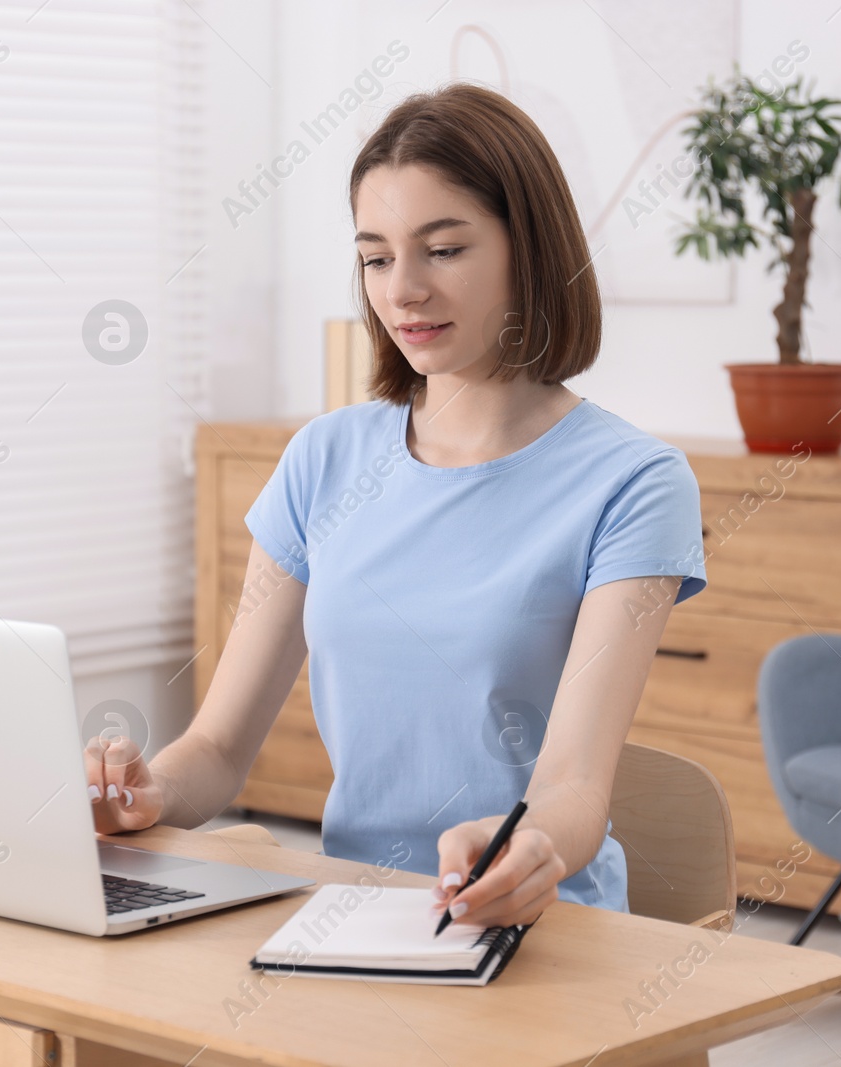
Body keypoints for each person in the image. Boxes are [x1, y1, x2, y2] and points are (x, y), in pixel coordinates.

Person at [85, 83, 705, 928]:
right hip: (349, 917)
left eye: (442, 249)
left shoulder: (633, 483)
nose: (403, 289)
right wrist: (147, 792)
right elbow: (220, 750)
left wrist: (524, 844)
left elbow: (575, 786)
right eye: (376, 258)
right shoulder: (323, 460)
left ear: (529, 249)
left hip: (538, 928)